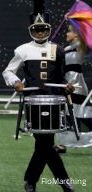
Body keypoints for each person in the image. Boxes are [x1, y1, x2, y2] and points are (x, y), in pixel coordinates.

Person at [2, 13, 75, 192]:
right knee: (45, 144)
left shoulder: (58, 50)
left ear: (49, 30)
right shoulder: (22, 50)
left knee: (44, 145)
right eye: (36, 29)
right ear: (31, 30)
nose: (40, 32)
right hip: (33, 101)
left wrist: (67, 87)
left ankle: (31, 182)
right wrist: (16, 82)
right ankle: (62, 182)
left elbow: (61, 77)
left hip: (54, 101)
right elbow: (8, 72)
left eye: (43, 29)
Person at [55, 24, 92, 152]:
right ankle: (62, 144)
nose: (66, 34)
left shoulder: (80, 46)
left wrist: (73, 20)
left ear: (77, 34)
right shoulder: (65, 48)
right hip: (65, 83)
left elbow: (85, 38)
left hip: (77, 85)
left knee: (82, 114)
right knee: (65, 113)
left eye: (70, 31)